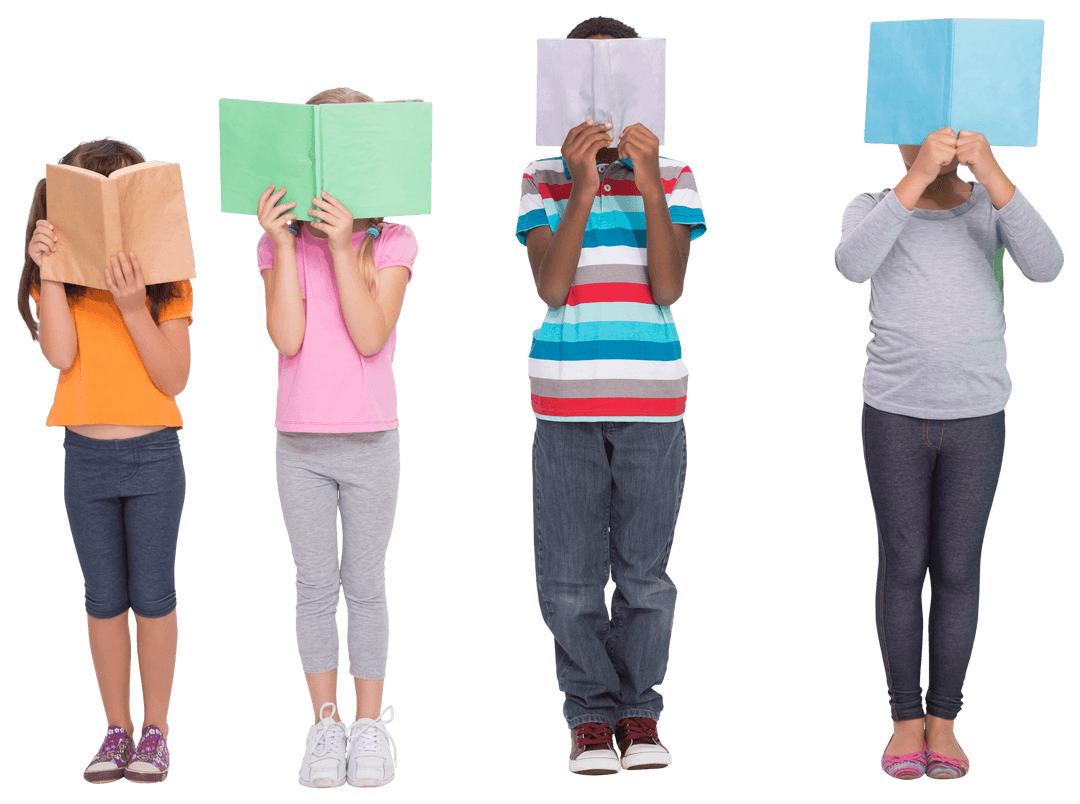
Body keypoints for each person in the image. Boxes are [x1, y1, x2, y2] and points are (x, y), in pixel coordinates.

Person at [834, 127, 1064, 780]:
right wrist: (913, 181)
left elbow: (1047, 267)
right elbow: (851, 265)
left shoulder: (991, 207)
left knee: (959, 568)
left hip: (977, 417)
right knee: (903, 565)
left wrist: (992, 173)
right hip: (894, 417)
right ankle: (905, 720)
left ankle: (945, 721)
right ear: (892, 143)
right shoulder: (871, 205)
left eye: (948, 136)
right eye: (917, 137)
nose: (934, 146)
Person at [516, 16, 707, 777]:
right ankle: (589, 717)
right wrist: (586, 187)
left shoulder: (679, 174)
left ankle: (641, 712)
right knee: (568, 577)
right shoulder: (541, 178)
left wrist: (650, 186)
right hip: (563, 401)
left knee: (646, 576)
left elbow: (669, 285)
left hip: (653, 400)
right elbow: (552, 286)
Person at [254, 86, 419, 789]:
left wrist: (340, 238)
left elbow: (370, 332)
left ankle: (368, 727)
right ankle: (323, 726)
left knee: (367, 584)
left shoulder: (393, 240)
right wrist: (288, 245)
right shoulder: (272, 245)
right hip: (299, 443)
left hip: (371, 440)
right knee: (315, 584)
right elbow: (286, 336)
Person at [17, 136, 194, 785]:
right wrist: (53, 274)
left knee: (153, 596)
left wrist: (129, 303)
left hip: (153, 456)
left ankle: (157, 729)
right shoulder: (60, 283)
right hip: (84, 458)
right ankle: (115, 728)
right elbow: (61, 355)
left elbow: (173, 376)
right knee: (102, 600)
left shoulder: (166, 281)